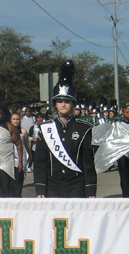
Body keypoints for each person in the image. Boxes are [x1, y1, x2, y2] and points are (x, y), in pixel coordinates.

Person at [34, 61, 97, 198]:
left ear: (73, 104)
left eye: (67, 101)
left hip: (77, 185)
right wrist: (40, 189)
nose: (63, 104)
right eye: (60, 101)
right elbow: (40, 162)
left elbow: (88, 162)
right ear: (55, 104)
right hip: (52, 185)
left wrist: (90, 188)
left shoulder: (84, 128)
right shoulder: (45, 128)